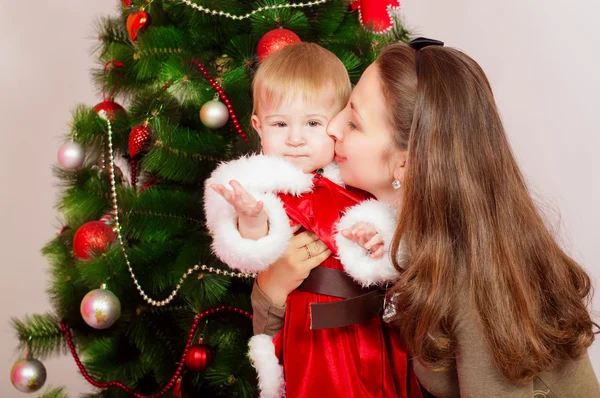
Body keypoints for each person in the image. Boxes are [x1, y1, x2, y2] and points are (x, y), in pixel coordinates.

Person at [253, 39, 600, 397]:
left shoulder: (472, 274)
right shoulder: (388, 232)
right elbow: (297, 353)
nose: (332, 128)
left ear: (404, 161)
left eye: (354, 122)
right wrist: (271, 291)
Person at [204, 42, 421, 398]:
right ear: (258, 126)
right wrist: (251, 217)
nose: (294, 139)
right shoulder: (263, 187)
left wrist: (376, 241)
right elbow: (253, 247)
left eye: (312, 123)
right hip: (313, 334)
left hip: (374, 330)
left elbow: (391, 236)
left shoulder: (354, 179)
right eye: (279, 124)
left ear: (336, 124)